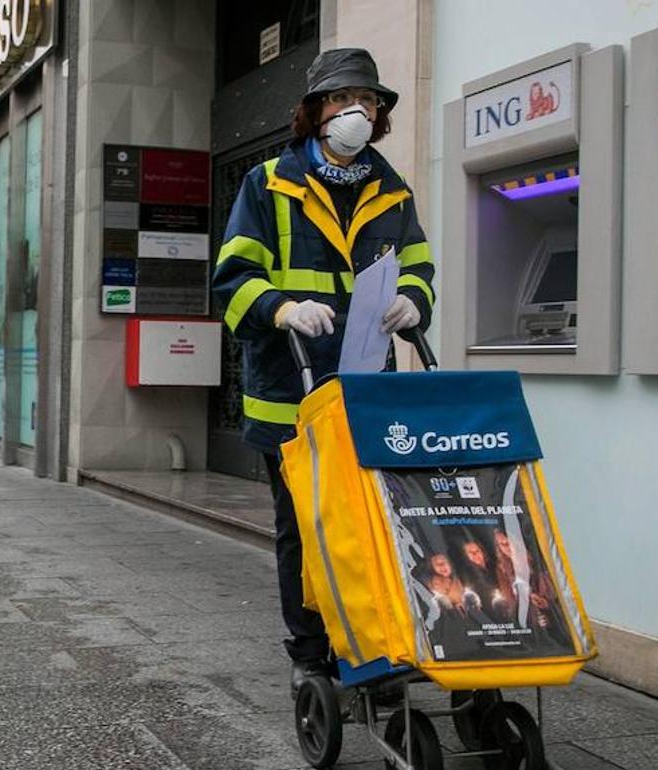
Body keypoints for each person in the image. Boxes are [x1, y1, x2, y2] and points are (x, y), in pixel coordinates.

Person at [212, 48, 436, 695]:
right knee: (305, 529)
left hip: (367, 390)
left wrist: (413, 299)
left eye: (366, 101)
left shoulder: (392, 192)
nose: (355, 112)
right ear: (314, 113)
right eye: (341, 101)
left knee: (371, 521)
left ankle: (370, 641)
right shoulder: (268, 184)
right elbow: (233, 278)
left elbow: (419, 264)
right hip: (291, 394)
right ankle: (312, 651)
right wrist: (281, 307)